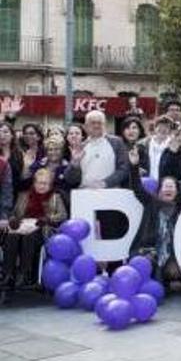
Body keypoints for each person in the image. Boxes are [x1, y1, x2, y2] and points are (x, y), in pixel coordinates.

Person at [72, 110, 130, 261]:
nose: (96, 125)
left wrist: (105, 183)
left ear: (105, 125)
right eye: (92, 122)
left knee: (111, 238)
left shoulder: (116, 142)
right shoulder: (81, 146)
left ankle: (115, 274)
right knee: (88, 242)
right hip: (85, 202)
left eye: (100, 122)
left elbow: (124, 169)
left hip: (110, 201)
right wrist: (75, 164)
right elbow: (70, 178)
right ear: (85, 126)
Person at [128, 147, 181, 288]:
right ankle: (158, 286)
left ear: (177, 192)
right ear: (159, 191)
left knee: (176, 272)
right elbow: (137, 188)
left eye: (172, 187)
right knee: (148, 262)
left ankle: (168, 283)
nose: (168, 189)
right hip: (148, 249)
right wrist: (134, 166)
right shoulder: (151, 202)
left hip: (172, 253)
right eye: (165, 187)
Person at [1, 168, 67, 290]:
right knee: (11, 236)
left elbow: (62, 215)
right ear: (34, 183)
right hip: (22, 226)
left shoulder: (55, 197)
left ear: (50, 184)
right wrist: (14, 220)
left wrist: (45, 219)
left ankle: (24, 274)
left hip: (41, 230)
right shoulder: (23, 196)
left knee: (29, 236)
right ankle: (8, 274)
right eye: (39, 182)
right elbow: (14, 213)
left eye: (45, 183)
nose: (42, 186)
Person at [141, 115, 174, 181]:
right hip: (146, 182)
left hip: (165, 184)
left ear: (170, 130)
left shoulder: (174, 146)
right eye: (160, 126)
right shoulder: (143, 144)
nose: (163, 129)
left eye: (166, 127)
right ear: (155, 128)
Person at [0, 122, 24, 193]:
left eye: (5, 132)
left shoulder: (18, 154)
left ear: (12, 135)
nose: (2, 135)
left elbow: (19, 175)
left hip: (12, 193)